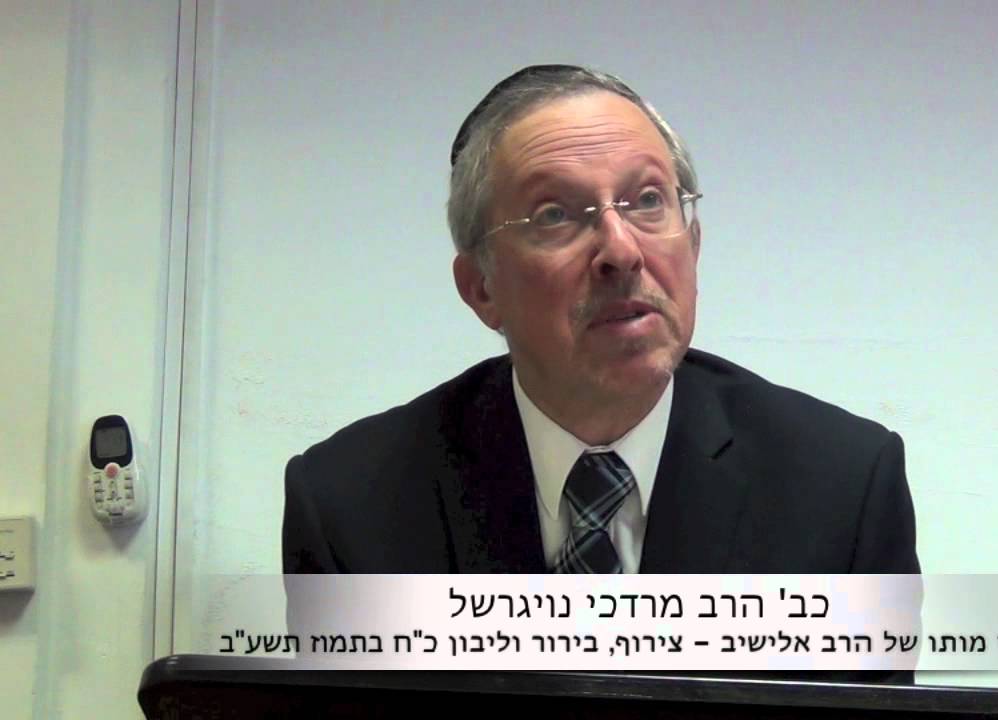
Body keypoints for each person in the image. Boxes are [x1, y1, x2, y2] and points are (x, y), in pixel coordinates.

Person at [282, 64, 920, 682]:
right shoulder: (350, 508)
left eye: (648, 201)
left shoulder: (844, 490)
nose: (621, 250)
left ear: (694, 246)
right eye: (554, 214)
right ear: (481, 288)